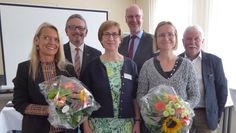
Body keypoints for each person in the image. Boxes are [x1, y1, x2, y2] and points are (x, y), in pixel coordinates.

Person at [12, 22, 77, 133]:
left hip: (66, 130)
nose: (52, 42)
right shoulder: (24, 68)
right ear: (36, 40)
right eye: (46, 38)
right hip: (36, 129)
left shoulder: (68, 68)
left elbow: (76, 97)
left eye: (56, 39)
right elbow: (19, 103)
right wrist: (47, 110)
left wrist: (76, 102)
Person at [137, 21, 200, 132]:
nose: (166, 38)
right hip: (153, 128)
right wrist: (154, 113)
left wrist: (182, 109)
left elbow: (195, 95)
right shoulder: (147, 66)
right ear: (156, 39)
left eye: (170, 34)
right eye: (161, 35)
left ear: (175, 38)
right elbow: (140, 95)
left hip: (180, 126)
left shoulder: (187, 65)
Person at [80, 20, 140, 133]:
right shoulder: (91, 67)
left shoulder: (131, 65)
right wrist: (85, 126)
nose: (110, 38)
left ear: (120, 39)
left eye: (114, 34)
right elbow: (84, 100)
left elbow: (134, 97)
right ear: (101, 38)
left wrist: (137, 121)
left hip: (126, 126)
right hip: (98, 126)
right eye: (106, 34)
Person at [180, 25, 228, 133]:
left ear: (203, 41)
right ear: (183, 41)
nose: (193, 42)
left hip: (206, 115)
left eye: (197, 39)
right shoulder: (176, 61)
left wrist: (216, 115)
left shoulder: (215, 62)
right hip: (182, 115)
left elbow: (222, 91)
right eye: (189, 39)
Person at [64, 14, 102, 79]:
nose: (77, 31)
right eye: (72, 27)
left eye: (81, 28)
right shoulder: (59, 51)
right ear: (66, 31)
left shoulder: (96, 54)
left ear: (86, 32)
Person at [119, 4, 154, 73]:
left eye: (137, 16)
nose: (134, 20)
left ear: (142, 19)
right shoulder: (121, 42)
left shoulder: (153, 41)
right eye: (130, 16)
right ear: (126, 19)